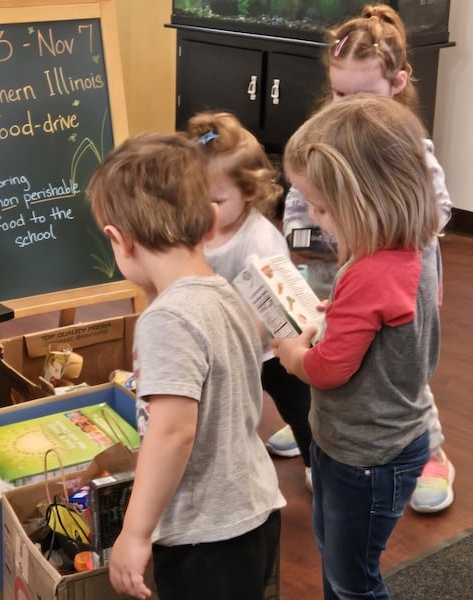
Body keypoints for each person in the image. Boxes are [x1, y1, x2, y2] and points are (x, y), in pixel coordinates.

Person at [271, 4, 455, 514]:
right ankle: (317, 425)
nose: (343, 106)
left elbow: (430, 219)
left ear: (397, 85)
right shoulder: (325, 141)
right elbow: (297, 203)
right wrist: (304, 244)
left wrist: (366, 236)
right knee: (332, 351)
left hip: (391, 286)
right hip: (329, 277)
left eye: (360, 94)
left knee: (393, 374)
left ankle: (430, 452)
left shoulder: (407, 148)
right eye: (337, 92)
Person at [87, 132, 285, 600]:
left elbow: (174, 432)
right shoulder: (225, 294)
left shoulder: (168, 319)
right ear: (212, 221)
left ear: (119, 240)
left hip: (206, 538)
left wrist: (135, 534)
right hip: (253, 511)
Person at [273, 94, 440, 600]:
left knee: (353, 581)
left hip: (366, 455)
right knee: (339, 555)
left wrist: (291, 356)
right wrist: (340, 317)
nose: (318, 219)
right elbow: (388, 330)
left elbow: (327, 371)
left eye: (323, 207)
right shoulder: (406, 249)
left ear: (369, 198)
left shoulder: (368, 270)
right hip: (376, 441)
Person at [184, 111, 314, 491]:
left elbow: (275, 308)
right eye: (193, 198)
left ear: (250, 192)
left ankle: (315, 459)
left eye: (215, 200)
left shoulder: (259, 241)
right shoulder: (197, 229)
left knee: (299, 406)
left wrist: (239, 342)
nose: (202, 210)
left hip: (270, 349)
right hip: (220, 348)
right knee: (227, 413)